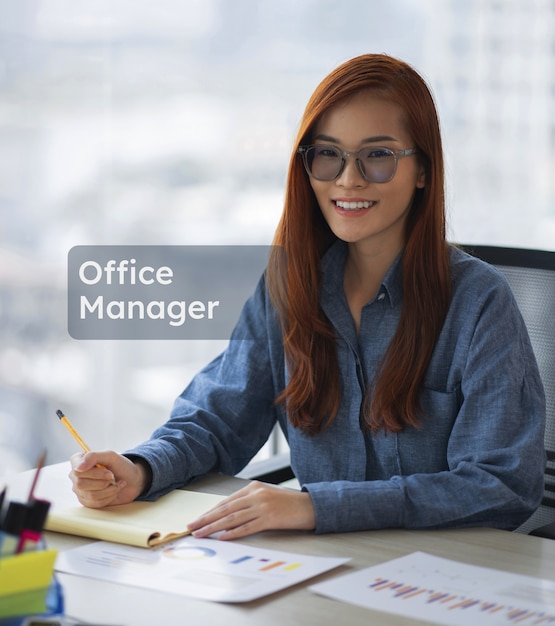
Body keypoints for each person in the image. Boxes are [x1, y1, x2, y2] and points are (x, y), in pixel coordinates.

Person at [69, 53, 546, 540]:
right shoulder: (288, 284)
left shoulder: (479, 301)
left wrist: (318, 507)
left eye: (378, 155)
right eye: (328, 154)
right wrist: (141, 469)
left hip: (440, 579)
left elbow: (500, 485)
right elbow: (217, 419)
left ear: (422, 170)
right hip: (316, 570)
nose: (348, 179)